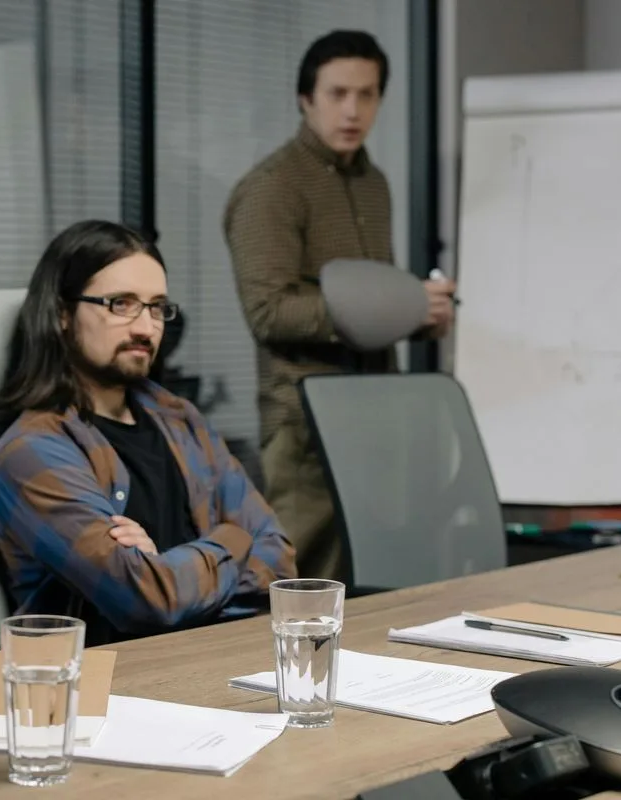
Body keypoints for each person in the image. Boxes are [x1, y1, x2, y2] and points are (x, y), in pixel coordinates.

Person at [0, 220, 296, 647]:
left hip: (216, 657)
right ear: (62, 314)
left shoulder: (180, 418)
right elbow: (149, 600)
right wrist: (235, 538)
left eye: (156, 308)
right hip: (112, 678)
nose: (145, 328)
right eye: (121, 304)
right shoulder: (33, 450)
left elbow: (280, 560)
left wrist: (168, 567)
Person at [223, 30, 456, 582]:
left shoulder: (373, 183)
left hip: (378, 416)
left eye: (366, 94)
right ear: (306, 99)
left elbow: (371, 303)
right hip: (305, 424)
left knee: (377, 581)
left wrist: (420, 313)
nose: (352, 110)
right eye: (337, 94)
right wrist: (399, 305)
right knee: (299, 585)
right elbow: (267, 311)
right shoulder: (271, 187)